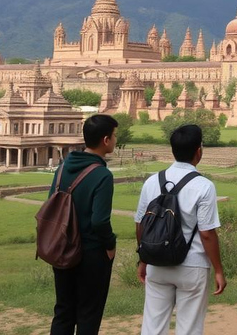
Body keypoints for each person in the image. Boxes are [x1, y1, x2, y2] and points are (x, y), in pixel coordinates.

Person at [135, 124, 226, 335]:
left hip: (156, 262)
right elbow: (207, 233)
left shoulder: (152, 182)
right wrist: (219, 270)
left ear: (172, 150)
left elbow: (141, 224)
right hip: (192, 264)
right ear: (199, 151)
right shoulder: (204, 186)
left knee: (152, 327)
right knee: (189, 328)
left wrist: (143, 259)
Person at [49, 114, 119, 334]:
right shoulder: (102, 175)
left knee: (63, 311)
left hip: (61, 248)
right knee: (88, 313)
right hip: (90, 253)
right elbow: (99, 220)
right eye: (115, 136)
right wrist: (110, 245)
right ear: (106, 140)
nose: (116, 140)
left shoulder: (62, 168)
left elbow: (51, 203)